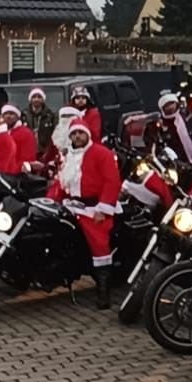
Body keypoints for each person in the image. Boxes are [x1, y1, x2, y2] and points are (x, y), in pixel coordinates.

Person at [48, 117, 122, 297]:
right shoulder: (67, 156)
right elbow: (62, 182)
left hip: (94, 207)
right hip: (72, 205)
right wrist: (50, 200)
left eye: (81, 133)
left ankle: (103, 290)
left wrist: (103, 209)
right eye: (74, 134)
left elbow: (112, 182)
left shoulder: (101, 153)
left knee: (98, 242)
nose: (77, 136)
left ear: (87, 134)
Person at [156, 91, 192, 165]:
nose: (170, 107)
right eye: (166, 105)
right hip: (181, 161)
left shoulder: (188, 113)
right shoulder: (162, 124)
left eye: (172, 103)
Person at [42, 105, 84, 174]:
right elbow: (49, 156)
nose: (66, 119)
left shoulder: (83, 137)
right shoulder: (56, 136)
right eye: (64, 116)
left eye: (70, 116)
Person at [1, 102, 39, 168]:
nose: (8, 116)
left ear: (17, 116)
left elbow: (28, 159)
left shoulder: (26, 133)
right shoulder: (0, 132)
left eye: (11, 113)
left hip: (18, 174)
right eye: (5, 114)